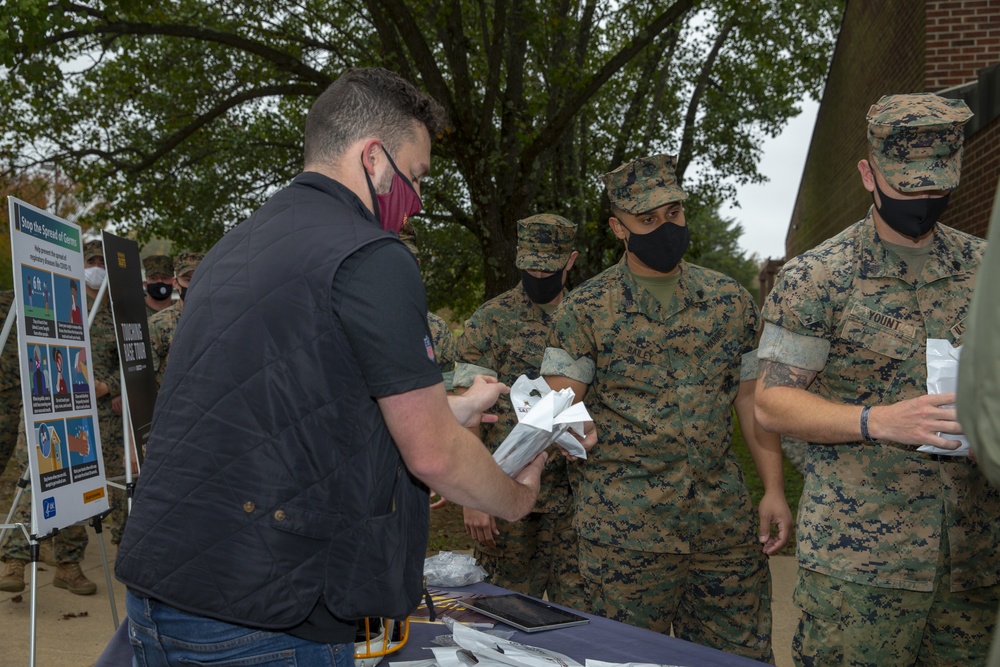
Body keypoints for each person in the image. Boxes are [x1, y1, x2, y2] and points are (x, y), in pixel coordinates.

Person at [114, 66, 546, 665]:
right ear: (373, 158)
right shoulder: (372, 254)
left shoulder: (234, 246)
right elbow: (434, 455)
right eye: (414, 177)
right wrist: (518, 499)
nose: (416, 202)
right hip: (268, 614)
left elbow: (302, 402)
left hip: (162, 592)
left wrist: (461, 405)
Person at [756, 93, 1000, 666]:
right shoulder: (818, 276)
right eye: (907, 188)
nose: (922, 202)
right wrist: (879, 421)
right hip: (862, 562)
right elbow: (772, 404)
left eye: (935, 189)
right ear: (869, 174)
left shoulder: (985, 268)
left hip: (973, 559)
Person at [540, 154, 789, 662]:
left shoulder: (729, 300)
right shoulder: (586, 309)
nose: (664, 227)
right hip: (625, 535)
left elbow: (750, 401)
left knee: (739, 657)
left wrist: (775, 490)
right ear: (618, 228)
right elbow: (558, 400)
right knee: (626, 660)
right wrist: (570, 422)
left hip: (722, 530)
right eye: (646, 219)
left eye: (672, 213)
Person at [454, 213, 586, 608]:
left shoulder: (591, 317)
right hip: (505, 501)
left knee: (582, 626)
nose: (539, 275)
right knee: (503, 621)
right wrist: (473, 497)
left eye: (549, 267)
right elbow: (466, 418)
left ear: (570, 261)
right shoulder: (490, 321)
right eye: (530, 266)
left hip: (578, 503)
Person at [397, 221, 456, 389]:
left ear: (417, 264)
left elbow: (449, 398)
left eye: (403, 260)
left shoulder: (437, 330)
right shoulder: (351, 321)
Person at [148, 251, 204, 389]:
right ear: (175, 283)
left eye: (199, 278)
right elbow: (147, 376)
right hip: (173, 405)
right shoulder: (158, 323)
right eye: (188, 280)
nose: (194, 285)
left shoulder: (221, 319)